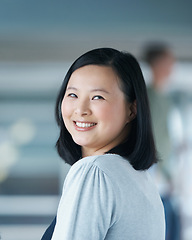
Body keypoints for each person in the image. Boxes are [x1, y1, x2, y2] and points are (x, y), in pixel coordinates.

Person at [44, 48, 165, 239]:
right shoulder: (141, 180)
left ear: (131, 110)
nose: (81, 110)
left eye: (97, 97)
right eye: (73, 95)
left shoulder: (95, 172)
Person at [144, 42, 180, 240]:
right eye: (169, 61)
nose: (173, 65)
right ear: (158, 63)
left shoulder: (164, 97)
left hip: (163, 175)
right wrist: (162, 172)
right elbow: (154, 136)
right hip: (154, 173)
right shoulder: (148, 97)